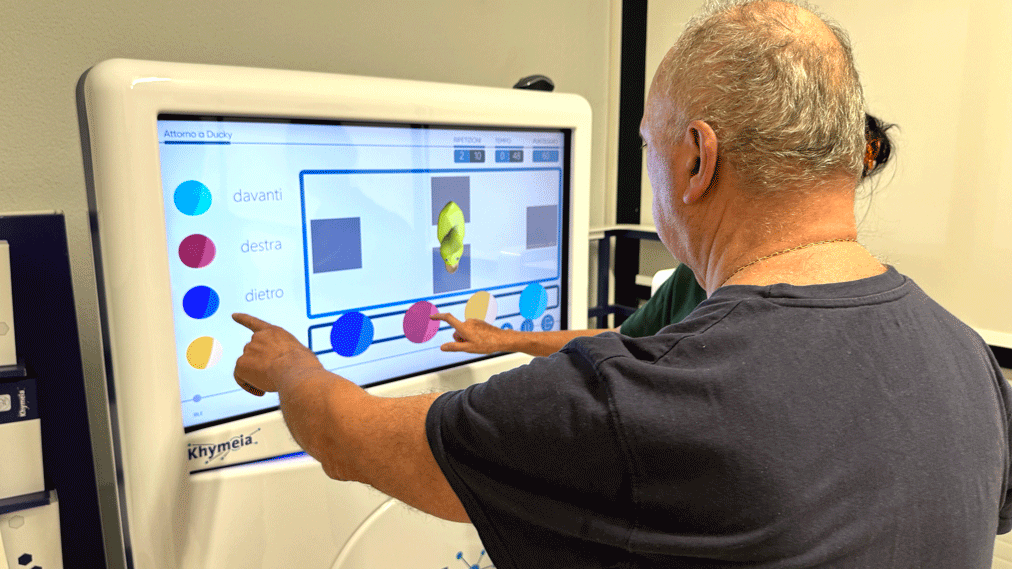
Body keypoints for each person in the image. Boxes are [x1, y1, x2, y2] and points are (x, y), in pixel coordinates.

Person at [232, 1, 1012, 567]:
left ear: (696, 159)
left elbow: (346, 436)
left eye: (647, 145)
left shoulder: (639, 404)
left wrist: (289, 364)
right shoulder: (968, 362)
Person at [432, 112, 895, 356]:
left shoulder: (793, 319)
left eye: (650, 146)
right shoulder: (696, 276)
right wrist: (507, 339)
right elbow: (624, 340)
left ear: (699, 161)